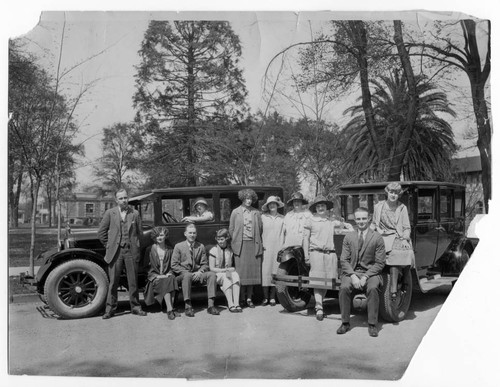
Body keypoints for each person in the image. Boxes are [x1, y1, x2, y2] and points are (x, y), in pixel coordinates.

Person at [97, 188, 147, 319]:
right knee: (113, 281)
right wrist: (109, 245)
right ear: (116, 200)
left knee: (133, 281)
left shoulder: (134, 213)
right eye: (121, 198)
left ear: (128, 198)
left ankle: (135, 307)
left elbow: (139, 233)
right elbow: (101, 232)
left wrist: (136, 246)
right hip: (116, 252)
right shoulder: (110, 213)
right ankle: (110, 309)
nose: (124, 200)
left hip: (131, 251)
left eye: (125, 198)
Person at [337, 207, 386, 337]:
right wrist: (353, 276)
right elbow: (344, 260)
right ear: (354, 219)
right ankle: (345, 323)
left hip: (371, 273)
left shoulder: (377, 237)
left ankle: (372, 324)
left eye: (364, 218)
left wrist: (365, 276)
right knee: (344, 287)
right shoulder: (349, 237)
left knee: (373, 288)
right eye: (358, 219)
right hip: (352, 271)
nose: (361, 221)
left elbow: (380, 263)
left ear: (369, 219)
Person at [303, 195, 352, 321]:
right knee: (317, 282)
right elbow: (305, 239)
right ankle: (319, 308)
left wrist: (348, 226)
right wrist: (306, 255)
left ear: (326, 208)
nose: (320, 208)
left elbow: (344, 225)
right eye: (318, 206)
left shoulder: (331, 221)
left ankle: (320, 305)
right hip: (316, 253)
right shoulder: (310, 221)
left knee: (327, 282)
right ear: (315, 208)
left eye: (322, 206)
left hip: (331, 255)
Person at [371, 182, 413, 300]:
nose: (393, 195)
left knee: (402, 252)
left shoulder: (402, 208)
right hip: (381, 235)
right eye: (391, 192)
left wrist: (405, 239)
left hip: (397, 236)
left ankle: (399, 285)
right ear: (387, 192)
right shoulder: (378, 206)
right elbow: (374, 224)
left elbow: (406, 227)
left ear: (399, 194)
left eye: (396, 193)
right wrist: (365, 235)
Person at [171, 223, 220, 317]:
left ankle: (211, 306)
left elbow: (205, 264)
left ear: (196, 234)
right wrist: (188, 273)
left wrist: (200, 272)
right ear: (185, 234)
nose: (192, 235)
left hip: (198, 274)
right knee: (187, 275)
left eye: (194, 233)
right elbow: (174, 265)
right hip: (184, 275)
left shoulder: (200, 246)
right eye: (190, 233)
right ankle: (188, 306)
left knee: (212, 275)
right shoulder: (179, 246)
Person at [229, 188, 263, 308]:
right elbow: (231, 229)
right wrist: (235, 242)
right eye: (246, 198)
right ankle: (241, 298)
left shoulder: (256, 212)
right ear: (242, 199)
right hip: (240, 246)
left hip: (253, 245)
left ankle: (249, 298)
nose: (248, 201)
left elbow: (260, 228)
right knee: (241, 274)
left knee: (252, 274)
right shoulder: (235, 212)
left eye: (250, 199)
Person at [143, 226, 179, 320]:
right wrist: (156, 276)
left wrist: (169, 273)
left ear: (165, 236)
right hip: (154, 278)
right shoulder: (149, 249)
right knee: (166, 281)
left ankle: (170, 308)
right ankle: (170, 309)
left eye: (161, 235)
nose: (159, 237)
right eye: (157, 235)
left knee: (171, 278)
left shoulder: (170, 250)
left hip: (166, 275)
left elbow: (172, 265)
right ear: (154, 237)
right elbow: (146, 267)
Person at [208, 229, 242, 313]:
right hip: (218, 273)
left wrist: (230, 270)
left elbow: (232, 266)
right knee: (226, 278)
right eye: (218, 239)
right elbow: (211, 268)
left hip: (228, 272)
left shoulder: (230, 250)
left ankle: (236, 303)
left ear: (226, 238)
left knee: (235, 275)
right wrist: (225, 270)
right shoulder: (213, 250)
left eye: (222, 239)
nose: (220, 241)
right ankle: (230, 304)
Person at [261, 195, 285, 306]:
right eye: (270, 204)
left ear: (277, 205)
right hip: (266, 248)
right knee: (265, 272)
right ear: (267, 206)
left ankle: (272, 297)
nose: (272, 206)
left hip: (278, 248)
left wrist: (283, 246)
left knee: (275, 272)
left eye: (274, 204)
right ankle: (265, 297)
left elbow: (285, 234)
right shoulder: (263, 217)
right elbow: (259, 232)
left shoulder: (282, 218)